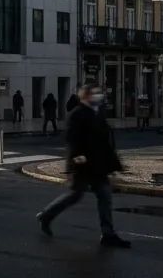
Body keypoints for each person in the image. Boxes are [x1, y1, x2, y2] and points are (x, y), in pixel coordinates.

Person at [36, 84, 129, 248]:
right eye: (95, 94)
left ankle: (108, 234)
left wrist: (115, 165)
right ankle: (46, 215)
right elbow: (72, 141)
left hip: (98, 166)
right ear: (85, 97)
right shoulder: (76, 114)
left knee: (105, 196)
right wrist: (77, 162)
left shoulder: (98, 113)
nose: (99, 96)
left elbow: (105, 143)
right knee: (75, 195)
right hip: (83, 165)